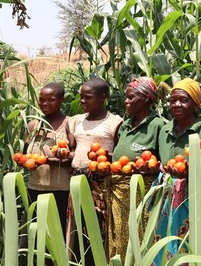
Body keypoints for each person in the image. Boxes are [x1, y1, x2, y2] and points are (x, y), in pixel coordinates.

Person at [106, 77, 165, 261]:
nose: (126, 101)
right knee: (117, 240)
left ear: (147, 98)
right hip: (117, 193)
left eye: (131, 97)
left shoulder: (157, 125)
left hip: (140, 196)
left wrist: (150, 168)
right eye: (126, 97)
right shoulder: (125, 125)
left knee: (136, 240)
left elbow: (163, 164)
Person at [65, 77, 123, 264]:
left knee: (99, 227)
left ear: (103, 97)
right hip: (76, 180)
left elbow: (120, 155)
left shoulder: (115, 122)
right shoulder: (75, 122)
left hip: (100, 184)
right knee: (76, 227)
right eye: (81, 97)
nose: (82, 101)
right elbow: (71, 149)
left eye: (87, 97)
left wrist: (105, 158)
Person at [153, 78, 201, 263]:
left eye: (183, 100)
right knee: (162, 240)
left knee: (188, 243)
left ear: (194, 105)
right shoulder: (164, 130)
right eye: (172, 100)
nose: (176, 104)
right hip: (166, 197)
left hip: (192, 196)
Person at [24, 82, 71, 235]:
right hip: (35, 189)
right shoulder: (32, 125)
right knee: (37, 237)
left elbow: (75, 158)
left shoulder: (70, 124)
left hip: (61, 191)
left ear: (62, 100)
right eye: (41, 99)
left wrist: (49, 161)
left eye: (50, 99)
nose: (44, 103)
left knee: (59, 236)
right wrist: (25, 161)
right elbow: (24, 156)